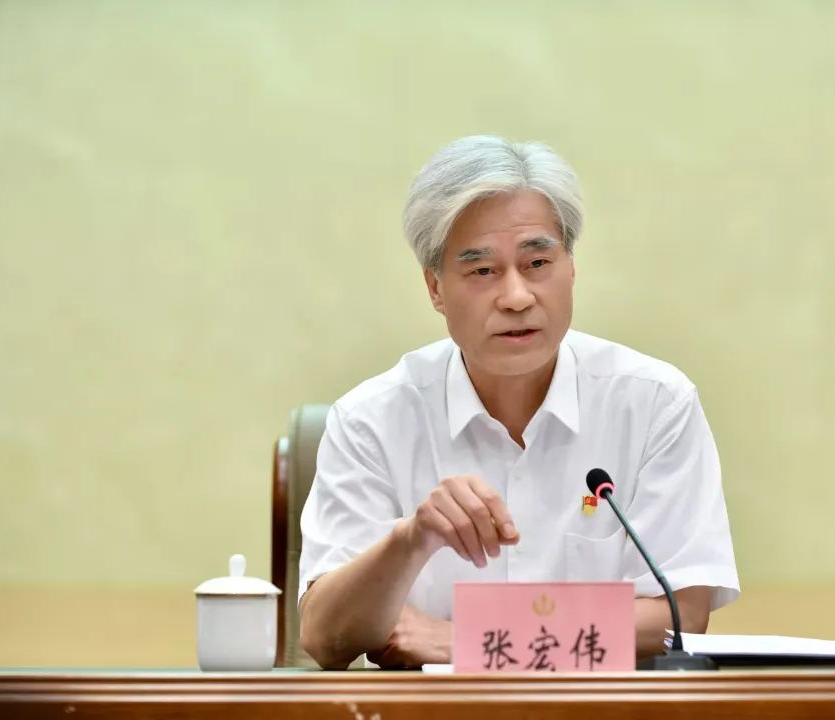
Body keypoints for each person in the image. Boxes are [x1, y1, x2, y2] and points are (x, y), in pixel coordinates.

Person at [298, 136, 739, 669]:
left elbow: (679, 616)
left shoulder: (654, 404)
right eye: (483, 271)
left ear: (571, 268)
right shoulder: (370, 420)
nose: (516, 297)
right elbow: (323, 638)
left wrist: (469, 640)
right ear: (435, 288)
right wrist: (410, 541)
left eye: (537, 262)